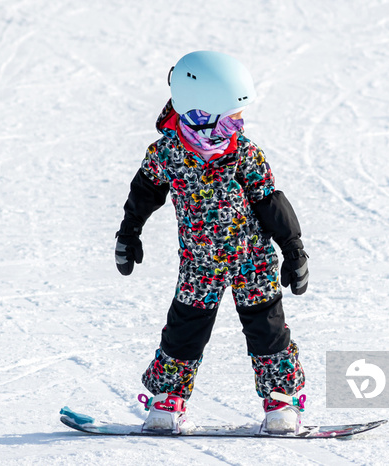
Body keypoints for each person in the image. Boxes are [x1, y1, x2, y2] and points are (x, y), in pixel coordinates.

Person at [115, 51, 309, 434]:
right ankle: (168, 399)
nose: (239, 124)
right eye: (232, 117)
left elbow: (270, 200)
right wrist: (129, 230)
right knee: (184, 330)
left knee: (268, 329)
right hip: (199, 264)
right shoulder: (168, 154)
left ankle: (280, 401)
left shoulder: (243, 152)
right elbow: (144, 192)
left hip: (252, 261)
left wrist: (293, 247)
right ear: (201, 112)